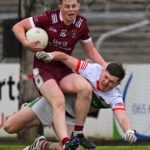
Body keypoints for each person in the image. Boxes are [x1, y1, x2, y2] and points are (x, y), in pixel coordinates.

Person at [12, 0, 107, 149]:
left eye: (74, 6)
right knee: (11, 127)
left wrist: (105, 66)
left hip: (64, 70)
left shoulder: (81, 23)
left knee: (86, 89)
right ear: (60, 7)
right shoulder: (49, 18)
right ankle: (65, 140)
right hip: (44, 70)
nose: (71, 10)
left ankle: (78, 134)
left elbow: (90, 50)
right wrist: (25, 42)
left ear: (78, 7)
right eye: (67, 6)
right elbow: (18, 26)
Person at [4, 51, 137, 150]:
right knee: (9, 127)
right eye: (106, 77)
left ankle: (41, 145)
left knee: (68, 149)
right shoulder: (92, 69)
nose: (106, 82)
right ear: (103, 71)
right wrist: (51, 56)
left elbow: (122, 117)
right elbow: (66, 57)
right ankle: (32, 107)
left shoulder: (115, 96)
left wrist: (129, 131)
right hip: (54, 104)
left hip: (70, 119)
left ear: (117, 84)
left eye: (111, 82)